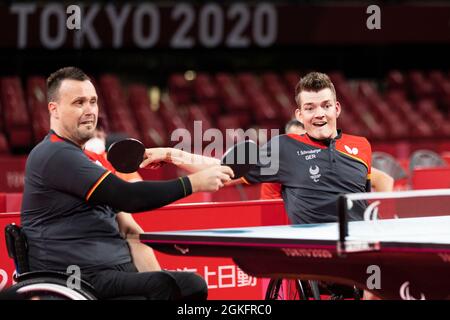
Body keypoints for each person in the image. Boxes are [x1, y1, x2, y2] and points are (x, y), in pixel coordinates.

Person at [141, 72, 392, 298]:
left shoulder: (361, 146)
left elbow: (371, 192)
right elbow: (223, 169)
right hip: (322, 254)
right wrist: (171, 154)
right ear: (300, 114)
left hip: (363, 246)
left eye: (326, 106)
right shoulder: (285, 148)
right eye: (310, 107)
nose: (319, 114)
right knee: (378, 277)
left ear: (336, 108)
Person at [20, 67, 234, 300]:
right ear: (54, 109)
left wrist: (157, 272)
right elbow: (129, 197)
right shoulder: (55, 154)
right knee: (164, 286)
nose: (89, 110)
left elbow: (130, 229)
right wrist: (192, 184)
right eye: (79, 102)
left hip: (111, 270)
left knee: (190, 285)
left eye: (93, 101)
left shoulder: (90, 159)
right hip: (77, 278)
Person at [83, 119, 161, 272]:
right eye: (92, 133)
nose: (96, 136)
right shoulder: (77, 162)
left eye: (99, 132)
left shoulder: (113, 162)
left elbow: (136, 190)